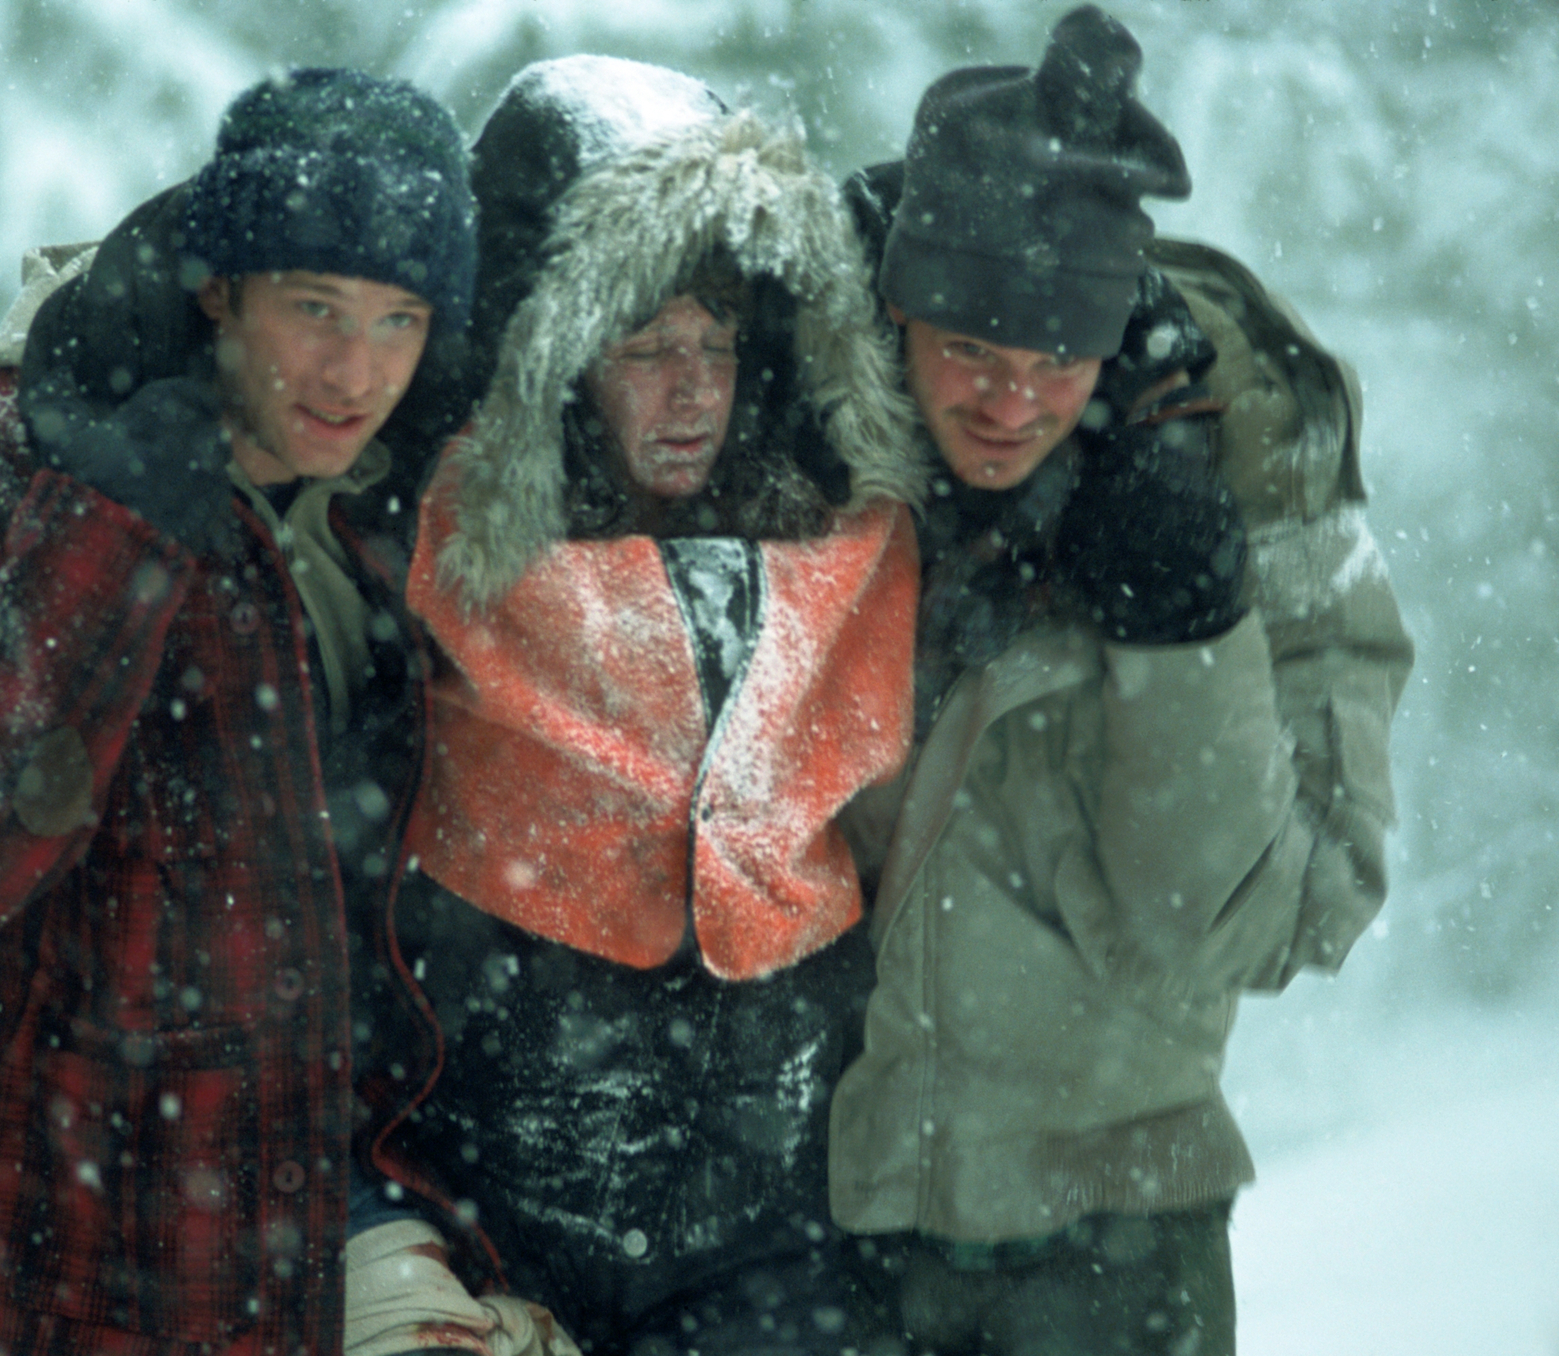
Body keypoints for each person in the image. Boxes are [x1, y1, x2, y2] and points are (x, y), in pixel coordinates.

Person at [0, 68, 558, 1356]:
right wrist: (114, 528)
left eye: (400, 318)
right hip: (75, 1275)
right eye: (316, 307)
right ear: (218, 287)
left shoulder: (389, 506)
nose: (356, 369)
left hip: (337, 1227)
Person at [827, 9, 1414, 1354]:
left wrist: (1189, 635)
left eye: (1056, 362)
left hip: (1122, 1241)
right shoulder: (804, 457)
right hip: (818, 1223)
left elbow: (1275, 916)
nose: (1008, 401)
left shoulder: (1250, 487)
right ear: (898, 310)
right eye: (970, 350)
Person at [384, 57, 929, 1356]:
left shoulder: (855, 544)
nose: (692, 391)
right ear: (564, 358)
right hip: (508, 1232)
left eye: (717, 350)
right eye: (645, 351)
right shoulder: (439, 540)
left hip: (772, 1238)